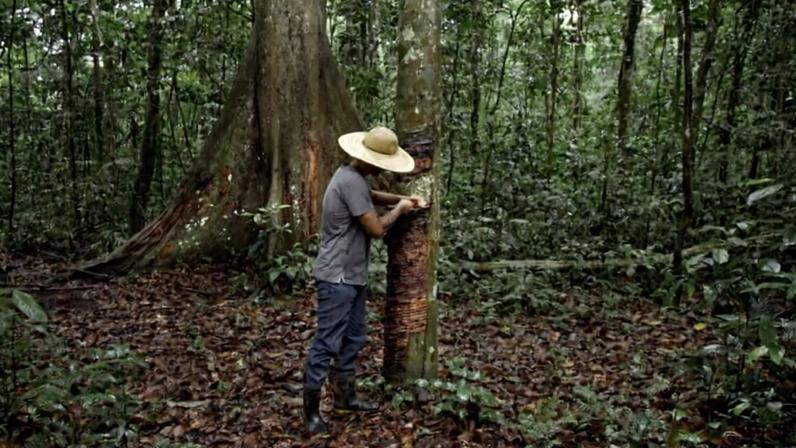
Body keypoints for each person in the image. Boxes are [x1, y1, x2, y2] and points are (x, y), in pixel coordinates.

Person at [302, 127, 428, 434]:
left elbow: (372, 196)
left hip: (351, 275)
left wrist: (402, 197)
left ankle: (345, 398)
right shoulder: (349, 181)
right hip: (337, 276)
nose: (384, 169)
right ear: (369, 160)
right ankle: (311, 412)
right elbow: (375, 228)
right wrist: (400, 209)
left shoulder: (353, 178)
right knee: (327, 342)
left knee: (355, 336)